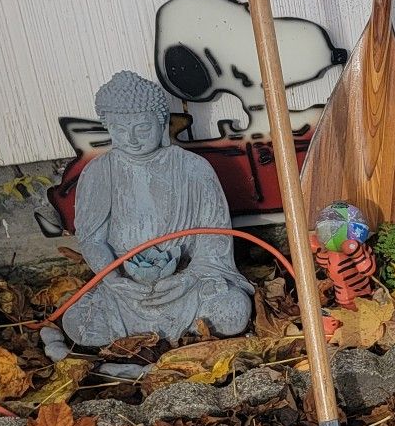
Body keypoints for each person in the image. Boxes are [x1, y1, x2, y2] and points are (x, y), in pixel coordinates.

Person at [59, 71, 253, 346]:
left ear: (162, 124)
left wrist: (190, 278)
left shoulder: (193, 168)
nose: (132, 139)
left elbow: (214, 239)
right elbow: (92, 239)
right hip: (125, 287)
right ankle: (153, 330)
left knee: (232, 312)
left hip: (189, 280)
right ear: (108, 128)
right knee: (79, 324)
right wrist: (114, 280)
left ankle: (173, 329)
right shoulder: (99, 172)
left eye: (142, 129)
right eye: (120, 130)